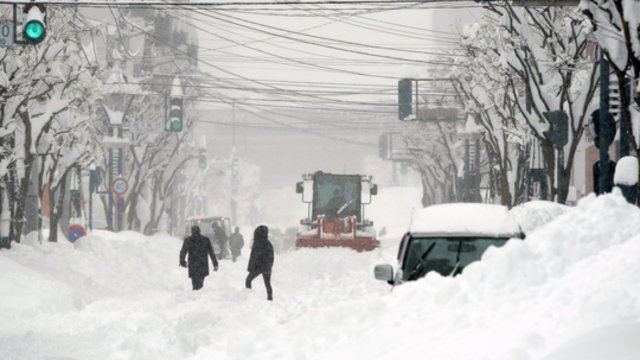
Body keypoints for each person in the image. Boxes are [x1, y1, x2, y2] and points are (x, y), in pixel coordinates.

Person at [180, 225, 219, 291]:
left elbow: (183, 251)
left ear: (191, 231)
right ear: (199, 231)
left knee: (194, 280)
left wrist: (182, 261)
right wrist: (215, 264)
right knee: (200, 280)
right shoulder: (205, 240)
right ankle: (198, 292)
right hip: (202, 264)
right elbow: (211, 253)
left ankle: (196, 291)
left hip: (193, 264)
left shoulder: (188, 240)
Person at [245, 225, 274, 301]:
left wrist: (252, 267)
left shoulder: (260, 244)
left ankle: (249, 296)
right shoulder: (267, 244)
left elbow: (253, 257)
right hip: (261, 267)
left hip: (258, 267)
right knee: (267, 283)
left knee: (248, 280)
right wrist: (268, 267)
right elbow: (270, 258)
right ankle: (270, 298)